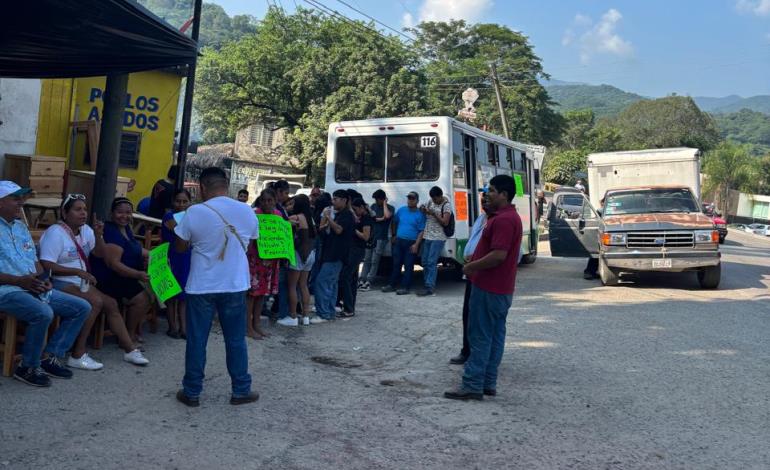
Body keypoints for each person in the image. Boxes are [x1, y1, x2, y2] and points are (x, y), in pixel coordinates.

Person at [174, 167, 260, 407]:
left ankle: (192, 392)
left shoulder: (194, 212)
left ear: (202, 187)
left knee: (197, 339)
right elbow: (250, 246)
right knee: (235, 340)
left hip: (201, 285)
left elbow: (180, 248)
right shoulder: (246, 211)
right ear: (227, 185)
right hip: (234, 284)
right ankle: (241, 390)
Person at [39, 194, 149, 369]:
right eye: (77, 209)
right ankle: (78, 353)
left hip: (81, 281)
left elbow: (99, 254)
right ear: (65, 212)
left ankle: (129, 350)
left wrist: (98, 236)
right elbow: (46, 264)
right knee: (96, 301)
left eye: (84, 209)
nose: (83, 213)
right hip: (61, 281)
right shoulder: (55, 232)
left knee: (111, 303)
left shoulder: (86, 231)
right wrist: (77, 271)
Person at [0, 181, 91, 386]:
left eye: (21, 198)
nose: (21, 203)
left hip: (30, 286)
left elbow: (35, 262)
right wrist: (19, 281)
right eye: (15, 198)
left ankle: (50, 356)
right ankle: (27, 367)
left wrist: (45, 279)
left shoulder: (20, 227)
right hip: (6, 290)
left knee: (81, 307)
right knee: (43, 313)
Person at [445, 175, 523, 401]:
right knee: (495, 336)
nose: (487, 194)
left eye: (492, 190)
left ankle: (472, 385)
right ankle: (488, 382)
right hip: (500, 288)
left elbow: (499, 255)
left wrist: (471, 268)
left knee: (480, 337)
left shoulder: (503, 220)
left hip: (489, 286)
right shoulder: (506, 217)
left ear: (504, 195)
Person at [90, 197, 153, 345]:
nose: (124, 216)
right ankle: (127, 335)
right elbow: (114, 265)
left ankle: (131, 330)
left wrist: (155, 256)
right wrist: (138, 274)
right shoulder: (110, 231)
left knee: (153, 290)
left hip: (124, 276)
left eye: (128, 213)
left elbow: (137, 249)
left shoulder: (126, 230)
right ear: (112, 213)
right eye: (120, 212)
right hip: (109, 278)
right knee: (143, 297)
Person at [449, 190, 490, 365]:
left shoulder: (499, 221)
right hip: (472, 274)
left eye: (488, 198)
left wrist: (475, 262)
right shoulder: (481, 219)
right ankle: (467, 350)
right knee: (468, 314)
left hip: (484, 276)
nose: (484, 202)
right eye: (483, 199)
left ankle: (479, 357)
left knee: (481, 319)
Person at [312, 190, 354, 323]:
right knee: (331, 284)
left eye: (336, 199)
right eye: (333, 199)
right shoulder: (339, 214)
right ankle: (329, 312)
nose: (333, 202)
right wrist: (325, 221)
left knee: (321, 282)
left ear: (344, 200)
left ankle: (323, 313)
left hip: (336, 256)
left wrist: (329, 217)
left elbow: (339, 230)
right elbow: (324, 231)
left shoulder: (347, 215)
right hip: (330, 254)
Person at [246, 189, 281, 337]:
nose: (267, 203)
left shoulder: (278, 216)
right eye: (264, 200)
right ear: (260, 201)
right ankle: (248, 326)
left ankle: (257, 324)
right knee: (252, 294)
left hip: (270, 261)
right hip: (255, 260)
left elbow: (281, 238)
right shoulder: (254, 214)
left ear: (275, 201)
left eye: (270, 200)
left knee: (262, 294)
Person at [161, 189, 193, 339]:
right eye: (178, 201)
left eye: (185, 201)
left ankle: (184, 328)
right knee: (172, 293)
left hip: (187, 257)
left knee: (184, 294)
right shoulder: (169, 216)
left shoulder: (191, 216)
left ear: (190, 202)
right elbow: (181, 233)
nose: (181, 204)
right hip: (172, 256)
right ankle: (172, 327)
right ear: (173, 202)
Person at [281, 194, 316, 327]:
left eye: (293, 203)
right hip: (310, 254)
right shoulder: (310, 218)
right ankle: (306, 316)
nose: (291, 206)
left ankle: (293, 316)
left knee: (292, 286)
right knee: (303, 285)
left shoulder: (296, 217)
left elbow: (281, 223)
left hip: (298, 254)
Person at [382, 191, 426, 295]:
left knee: (408, 265)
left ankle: (405, 287)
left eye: (412, 199)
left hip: (411, 243)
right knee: (396, 264)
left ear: (417, 201)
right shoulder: (401, 210)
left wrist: (416, 244)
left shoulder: (420, 215)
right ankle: (391, 285)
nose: (410, 200)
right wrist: (393, 235)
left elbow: (421, 231)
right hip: (399, 241)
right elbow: (394, 221)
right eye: (409, 198)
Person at [338, 198, 372, 317]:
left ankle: (348, 307)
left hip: (357, 250)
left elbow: (366, 237)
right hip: (352, 250)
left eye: (356, 209)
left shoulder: (366, 218)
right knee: (351, 280)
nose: (355, 211)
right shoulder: (357, 217)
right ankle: (350, 307)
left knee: (345, 277)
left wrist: (354, 230)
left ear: (362, 208)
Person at [417, 186, 453, 297]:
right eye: (432, 198)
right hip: (427, 235)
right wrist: (423, 209)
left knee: (432, 262)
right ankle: (427, 283)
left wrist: (434, 213)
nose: (433, 200)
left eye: (435, 199)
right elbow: (424, 211)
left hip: (438, 237)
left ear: (440, 196)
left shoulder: (446, 205)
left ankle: (429, 287)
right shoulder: (430, 201)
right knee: (424, 261)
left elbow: (445, 222)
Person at [359, 189, 393, 291]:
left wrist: (385, 204)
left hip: (381, 238)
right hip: (371, 237)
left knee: (375, 260)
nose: (375, 201)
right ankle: (362, 279)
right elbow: (371, 218)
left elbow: (387, 216)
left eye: (377, 199)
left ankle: (369, 280)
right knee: (367, 259)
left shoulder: (390, 208)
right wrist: (381, 219)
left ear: (382, 199)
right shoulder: (373, 207)